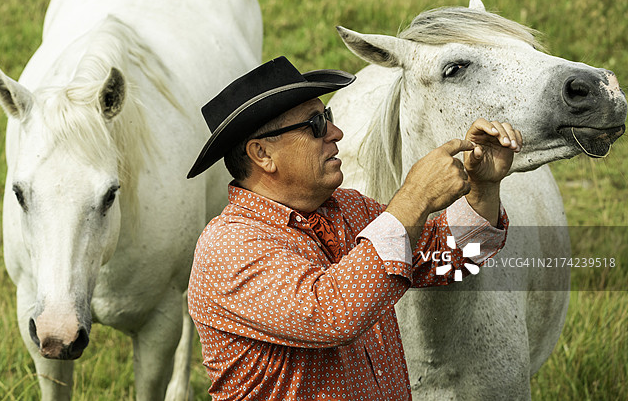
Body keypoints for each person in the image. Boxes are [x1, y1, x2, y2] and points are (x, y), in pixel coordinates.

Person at [186, 56, 521, 401]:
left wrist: (484, 186)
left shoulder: (348, 208)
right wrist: (414, 198)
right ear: (262, 154)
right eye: (315, 124)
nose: (335, 132)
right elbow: (332, 314)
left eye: (327, 117)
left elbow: (452, 260)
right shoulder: (227, 247)